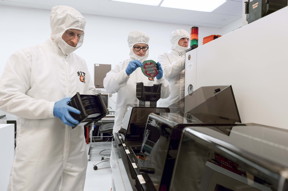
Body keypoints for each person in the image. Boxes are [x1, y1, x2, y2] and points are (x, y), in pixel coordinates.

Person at [0, 5, 95, 191]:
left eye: (79, 35)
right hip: (39, 152)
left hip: (75, 150)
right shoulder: (27, 57)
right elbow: (6, 97)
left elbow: (88, 91)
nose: (75, 41)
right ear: (58, 29)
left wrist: (94, 106)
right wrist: (51, 108)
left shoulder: (80, 63)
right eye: (71, 34)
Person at [103, 31, 170, 134]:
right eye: (137, 47)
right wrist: (125, 72)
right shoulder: (122, 65)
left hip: (148, 123)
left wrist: (160, 78)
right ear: (131, 48)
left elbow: (165, 95)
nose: (141, 51)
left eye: (144, 47)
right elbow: (108, 87)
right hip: (124, 123)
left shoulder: (151, 68)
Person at [157, 29, 190, 107]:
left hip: (186, 104)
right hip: (168, 103)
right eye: (182, 38)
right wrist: (186, 58)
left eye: (187, 39)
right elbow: (167, 73)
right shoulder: (164, 56)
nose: (186, 41)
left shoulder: (190, 56)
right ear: (175, 40)